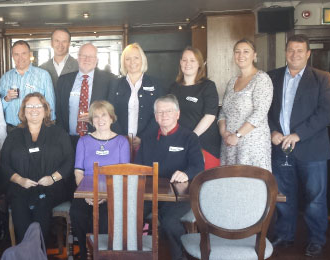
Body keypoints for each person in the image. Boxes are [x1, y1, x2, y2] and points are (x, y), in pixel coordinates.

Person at [267, 34, 330, 257]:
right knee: (284, 195)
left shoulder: (322, 78)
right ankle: (285, 235)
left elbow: (325, 113)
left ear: (308, 53)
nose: (294, 54)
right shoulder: (272, 77)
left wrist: (298, 135)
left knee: (315, 198)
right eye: (291, 50)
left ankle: (316, 239)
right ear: (285, 52)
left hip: (312, 149)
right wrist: (272, 132)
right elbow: (264, 111)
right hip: (280, 149)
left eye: (299, 50)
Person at [135, 94, 204, 260]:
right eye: (159, 112)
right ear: (155, 116)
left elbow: (198, 165)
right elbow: (138, 168)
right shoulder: (147, 138)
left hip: (179, 195)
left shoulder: (189, 137)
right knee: (128, 216)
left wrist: (186, 173)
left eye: (168, 111)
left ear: (177, 114)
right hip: (149, 194)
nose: (164, 115)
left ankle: (179, 257)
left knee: (170, 224)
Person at [0, 93, 73, 243]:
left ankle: (35, 252)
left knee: (42, 205)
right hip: (20, 188)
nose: (34, 109)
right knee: (19, 208)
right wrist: (20, 180)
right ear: (23, 111)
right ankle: (29, 252)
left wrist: (52, 179)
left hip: (51, 187)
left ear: (45, 110)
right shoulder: (14, 135)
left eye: (38, 106)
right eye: (30, 106)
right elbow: (4, 164)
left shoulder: (58, 133)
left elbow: (69, 161)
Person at [69, 100, 130, 260]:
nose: (100, 119)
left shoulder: (122, 142)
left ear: (111, 118)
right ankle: (84, 254)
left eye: (104, 115)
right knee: (77, 213)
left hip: (112, 193)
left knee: (105, 218)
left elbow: (124, 174)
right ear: (91, 121)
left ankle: (102, 255)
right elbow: (78, 172)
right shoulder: (83, 141)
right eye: (95, 116)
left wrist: (106, 195)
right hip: (86, 192)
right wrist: (87, 194)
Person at [217, 39, 273, 171]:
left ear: (254, 55)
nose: (241, 55)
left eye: (246, 51)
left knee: (251, 185)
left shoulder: (262, 79)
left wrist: (237, 135)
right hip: (229, 144)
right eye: (237, 52)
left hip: (251, 145)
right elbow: (223, 111)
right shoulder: (232, 81)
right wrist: (224, 133)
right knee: (230, 183)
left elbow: (260, 113)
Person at [168, 47, 221, 169]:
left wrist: (191, 137)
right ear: (180, 62)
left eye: (192, 60)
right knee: (181, 183)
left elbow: (210, 116)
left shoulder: (208, 86)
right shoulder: (173, 87)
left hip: (205, 144)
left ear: (200, 64)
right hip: (179, 143)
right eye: (185, 60)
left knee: (206, 184)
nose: (188, 64)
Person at [56, 43, 114, 146]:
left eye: (91, 56)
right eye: (83, 56)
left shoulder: (109, 80)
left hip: (99, 139)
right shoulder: (63, 80)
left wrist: (95, 115)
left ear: (96, 60)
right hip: (69, 141)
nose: (87, 59)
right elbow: (58, 112)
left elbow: (114, 110)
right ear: (77, 58)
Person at [109, 43, 164, 153]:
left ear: (142, 60)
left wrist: (142, 138)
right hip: (119, 143)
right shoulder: (115, 84)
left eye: (136, 58)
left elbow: (160, 113)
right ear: (123, 62)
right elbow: (110, 112)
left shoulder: (156, 84)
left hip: (148, 143)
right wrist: (121, 137)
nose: (132, 62)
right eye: (128, 59)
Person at [0, 40, 56, 129]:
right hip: (12, 129)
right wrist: (7, 99)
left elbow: (50, 104)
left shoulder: (43, 75)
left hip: (37, 128)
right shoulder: (5, 78)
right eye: (16, 54)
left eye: (23, 53)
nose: (20, 58)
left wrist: (49, 127)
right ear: (12, 56)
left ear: (30, 54)